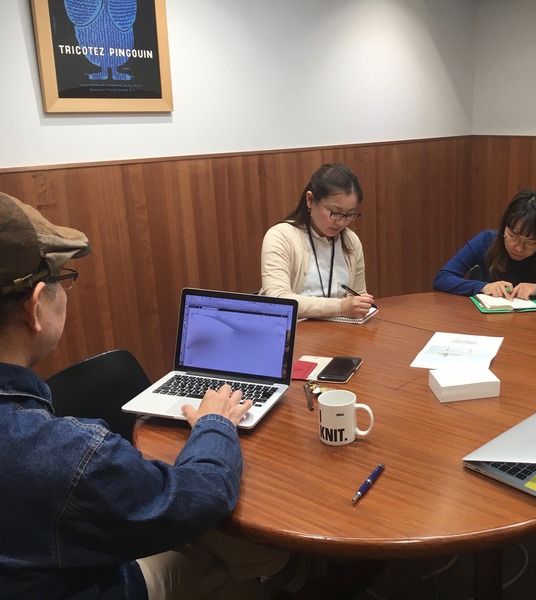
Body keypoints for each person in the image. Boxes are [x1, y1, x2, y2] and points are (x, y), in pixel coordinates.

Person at [0, 192, 380, 599]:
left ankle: (292, 569)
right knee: (216, 548)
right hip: (97, 583)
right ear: (36, 307)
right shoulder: (63, 454)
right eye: (63, 279)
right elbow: (199, 498)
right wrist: (215, 422)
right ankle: (301, 575)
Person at [433, 190, 536, 304]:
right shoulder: (486, 241)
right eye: (513, 237)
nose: (519, 248)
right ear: (504, 228)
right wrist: (483, 287)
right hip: (490, 326)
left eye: (530, 242)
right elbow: (442, 278)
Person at [260, 163, 374, 319]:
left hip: (341, 330)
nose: (341, 222)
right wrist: (340, 307)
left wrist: (361, 305)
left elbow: (358, 295)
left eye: (349, 214)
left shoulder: (350, 241)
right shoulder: (281, 236)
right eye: (334, 212)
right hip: (295, 330)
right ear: (310, 200)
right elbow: (278, 300)